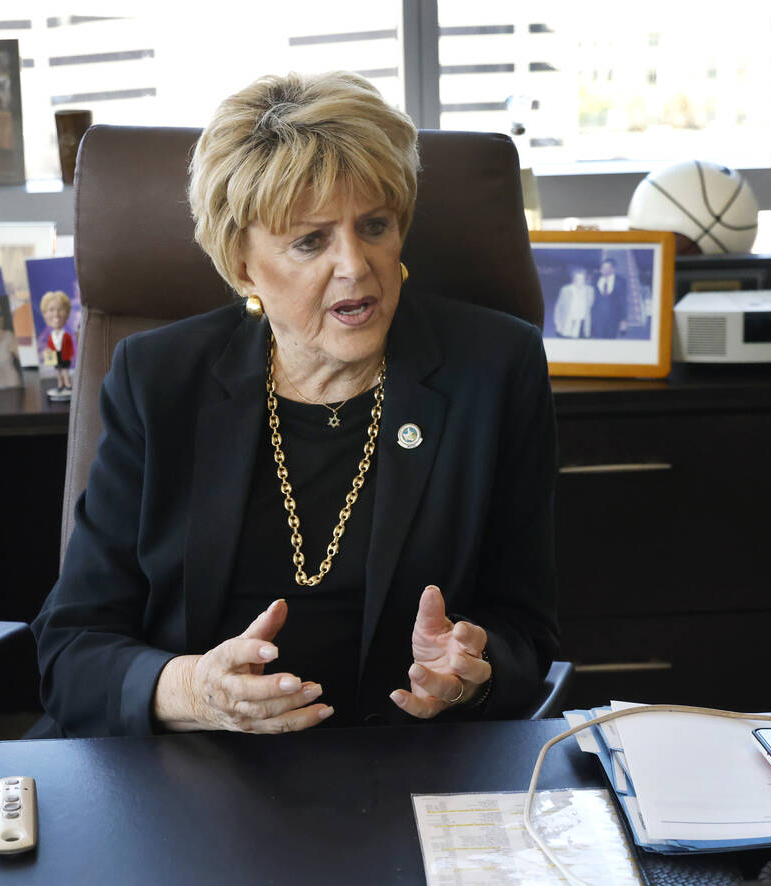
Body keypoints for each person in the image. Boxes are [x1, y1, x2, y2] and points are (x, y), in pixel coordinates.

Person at [31, 71, 558, 739]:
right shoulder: (160, 380)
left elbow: (527, 628)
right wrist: (192, 689)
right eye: (311, 241)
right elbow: (73, 645)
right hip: (192, 771)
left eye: (375, 226)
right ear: (244, 265)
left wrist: (471, 672)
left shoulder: (493, 369)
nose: (356, 266)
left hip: (403, 764)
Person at [39, 290, 75, 393]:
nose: (56, 314)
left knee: (65, 370)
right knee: (57, 370)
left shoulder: (68, 334)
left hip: (65, 356)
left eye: (60, 309)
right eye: (51, 310)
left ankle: (67, 383)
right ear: (45, 313)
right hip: (55, 356)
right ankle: (60, 383)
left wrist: (71, 355)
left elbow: (70, 346)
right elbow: (49, 345)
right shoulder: (48, 336)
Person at [591, 258, 628, 338]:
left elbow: (623, 301)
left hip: (612, 319)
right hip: (597, 318)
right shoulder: (595, 279)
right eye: (602, 267)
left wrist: (623, 320)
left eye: (606, 267)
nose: (602, 269)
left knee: (610, 340)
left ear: (613, 269)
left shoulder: (621, 281)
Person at [553, 268, 594, 338]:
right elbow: (558, 308)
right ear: (573, 279)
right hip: (568, 322)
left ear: (585, 279)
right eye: (578, 279)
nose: (580, 281)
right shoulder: (566, 290)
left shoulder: (589, 290)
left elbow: (590, 305)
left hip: (582, 323)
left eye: (582, 279)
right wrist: (558, 324)